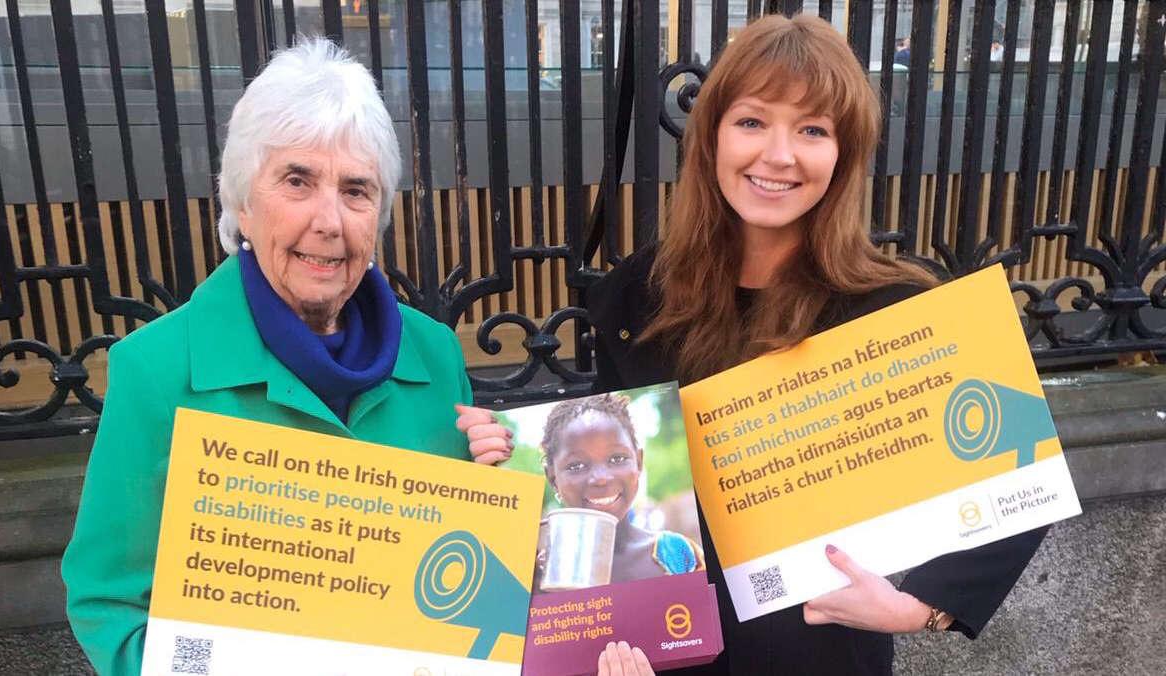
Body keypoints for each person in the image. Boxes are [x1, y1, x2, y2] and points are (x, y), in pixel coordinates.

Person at [583, 15, 1047, 676]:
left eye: (812, 130)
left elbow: (1022, 478)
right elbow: (603, 468)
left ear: (843, 154)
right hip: (666, 657)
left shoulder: (895, 307)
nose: (779, 155)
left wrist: (922, 608)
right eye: (751, 121)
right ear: (710, 135)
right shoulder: (638, 292)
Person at [60, 38, 511, 676]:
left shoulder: (435, 352)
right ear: (243, 203)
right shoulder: (156, 369)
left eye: (357, 191)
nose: (329, 219)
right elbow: (110, 604)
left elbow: (460, 583)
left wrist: (504, 494)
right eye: (297, 181)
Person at [536, 393, 704, 590]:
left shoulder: (678, 553)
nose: (600, 478)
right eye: (576, 465)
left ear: (638, 462)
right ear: (552, 477)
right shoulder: (534, 575)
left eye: (617, 458)